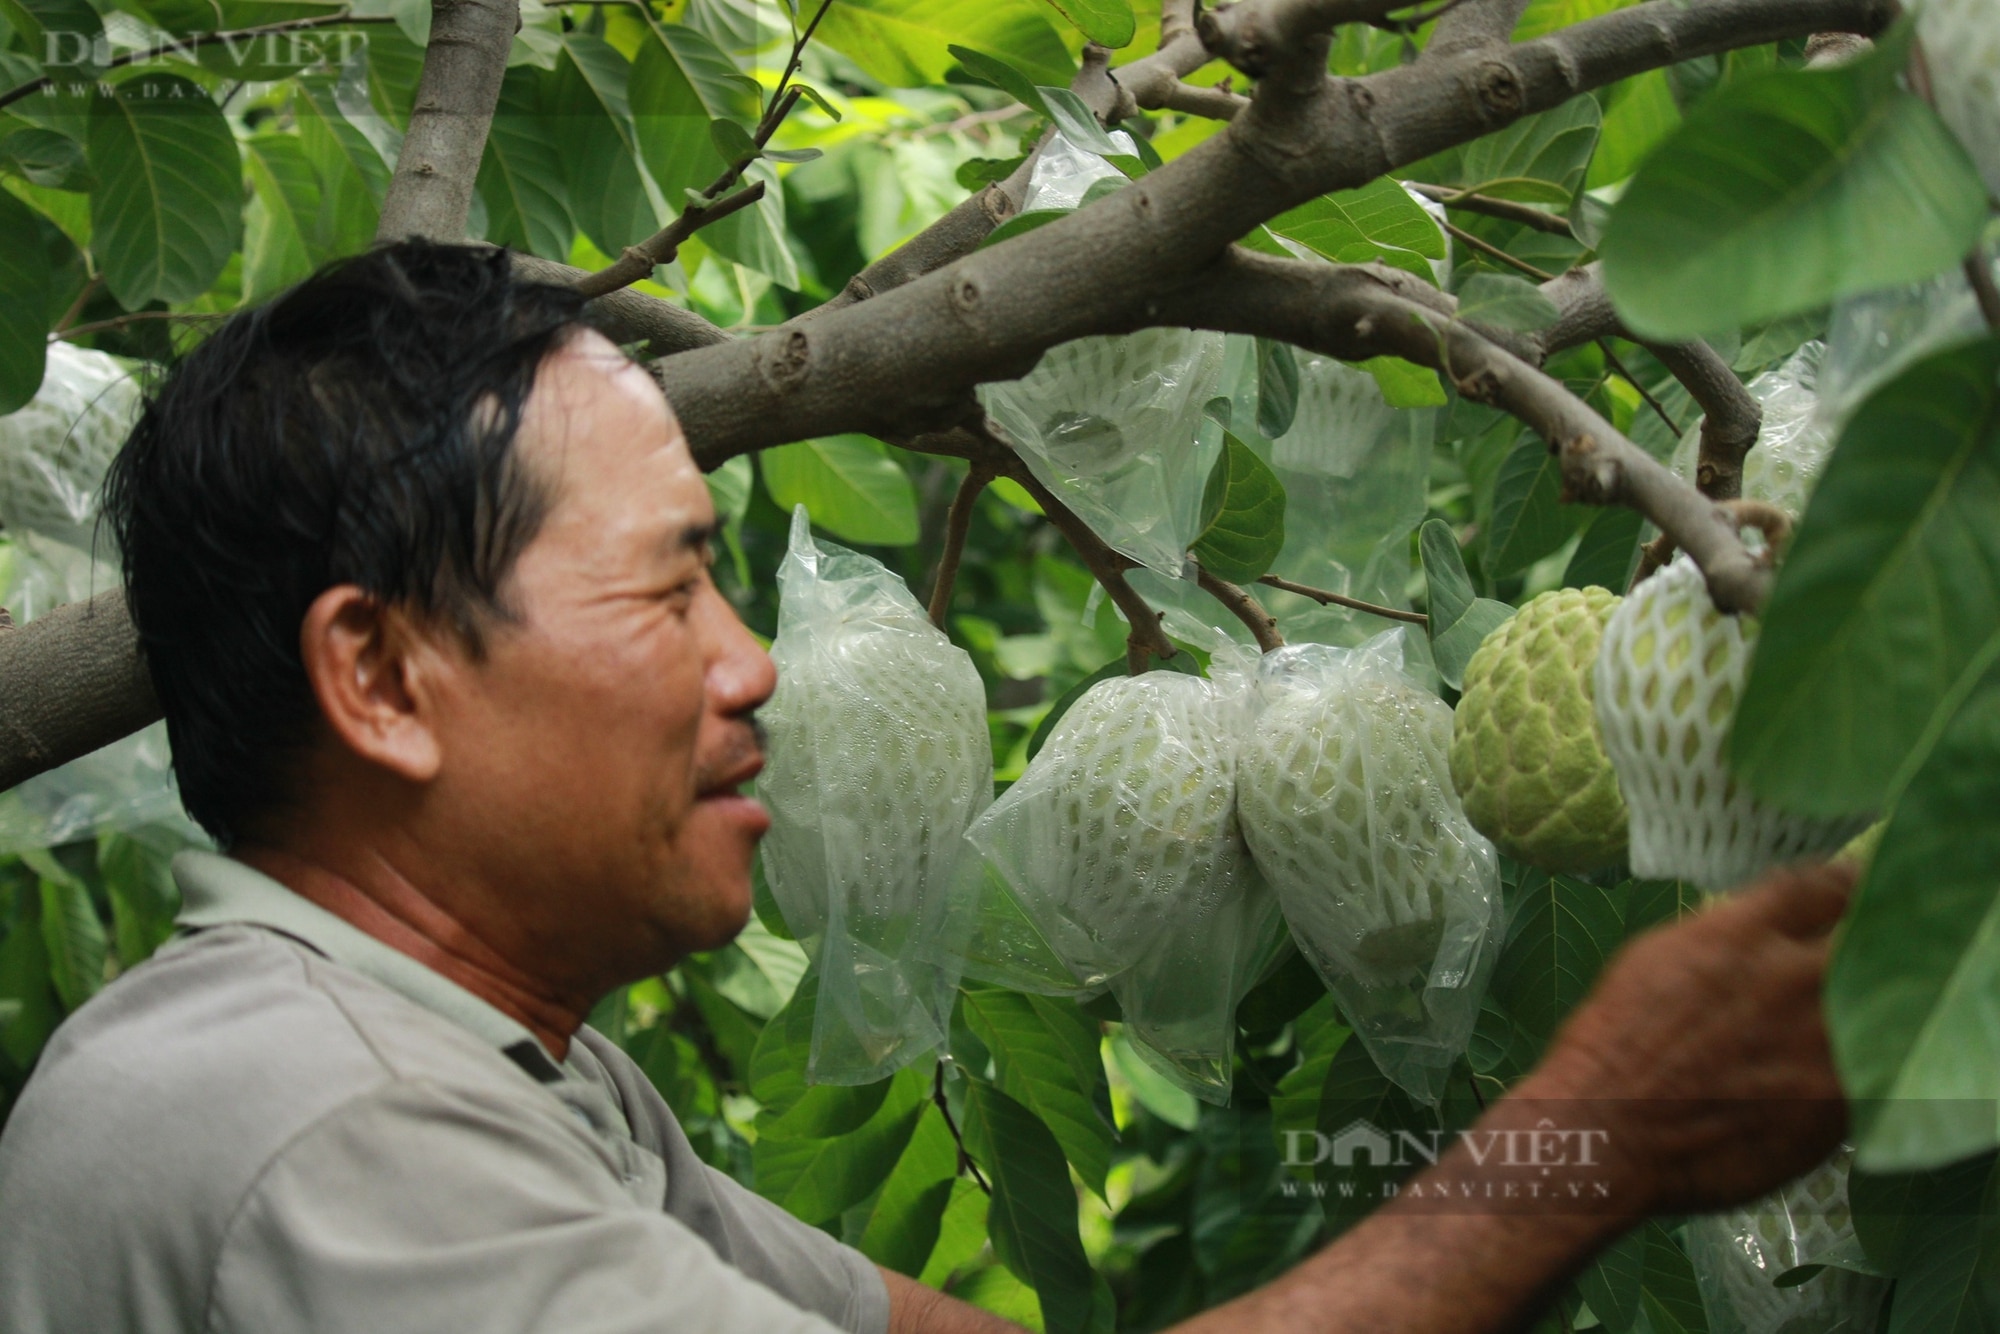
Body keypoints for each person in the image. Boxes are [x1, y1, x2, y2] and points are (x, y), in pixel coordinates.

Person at [0, 241, 1850, 1334]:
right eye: (669, 586)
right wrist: (1608, 1126)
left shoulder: (504, 1077)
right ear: (384, 677)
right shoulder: (325, 1131)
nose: (752, 665)